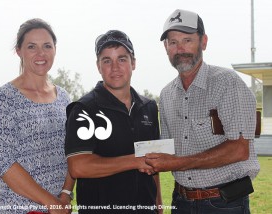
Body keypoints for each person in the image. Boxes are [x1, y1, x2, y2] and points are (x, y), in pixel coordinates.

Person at [145, 9, 260, 214]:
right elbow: (167, 148)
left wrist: (178, 163)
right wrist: (130, 155)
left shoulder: (228, 83)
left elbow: (239, 149)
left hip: (225, 203)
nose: (180, 49)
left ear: (204, 42)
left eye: (187, 40)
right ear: (166, 47)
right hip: (181, 201)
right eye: (173, 42)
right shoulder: (166, 95)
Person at [65, 30, 162, 214]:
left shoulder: (148, 107)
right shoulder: (84, 109)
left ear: (133, 63)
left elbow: (153, 161)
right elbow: (78, 166)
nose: (115, 67)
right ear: (98, 66)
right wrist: (134, 161)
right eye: (107, 60)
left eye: (122, 59)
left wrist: (158, 204)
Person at [0, 18, 74, 214]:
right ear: (19, 51)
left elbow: (72, 150)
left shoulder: (64, 98)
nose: (41, 53)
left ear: (55, 49)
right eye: (32, 47)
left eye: (47, 46)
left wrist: (66, 194)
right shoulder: (4, 98)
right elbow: (0, 161)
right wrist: (50, 203)